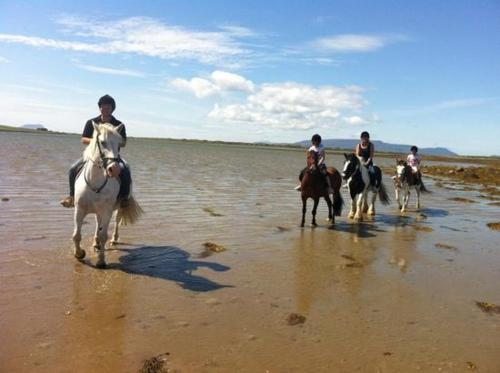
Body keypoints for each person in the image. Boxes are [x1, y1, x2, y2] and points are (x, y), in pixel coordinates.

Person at [60, 95, 131, 208]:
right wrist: (97, 141)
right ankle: (72, 197)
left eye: (108, 107)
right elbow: (83, 139)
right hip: (93, 155)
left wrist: (113, 141)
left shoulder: (118, 124)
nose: (105, 109)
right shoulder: (92, 122)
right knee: (73, 169)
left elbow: (124, 142)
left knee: (126, 170)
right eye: (102, 106)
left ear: (112, 109)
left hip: (113, 156)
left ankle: (124, 199)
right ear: (99, 108)